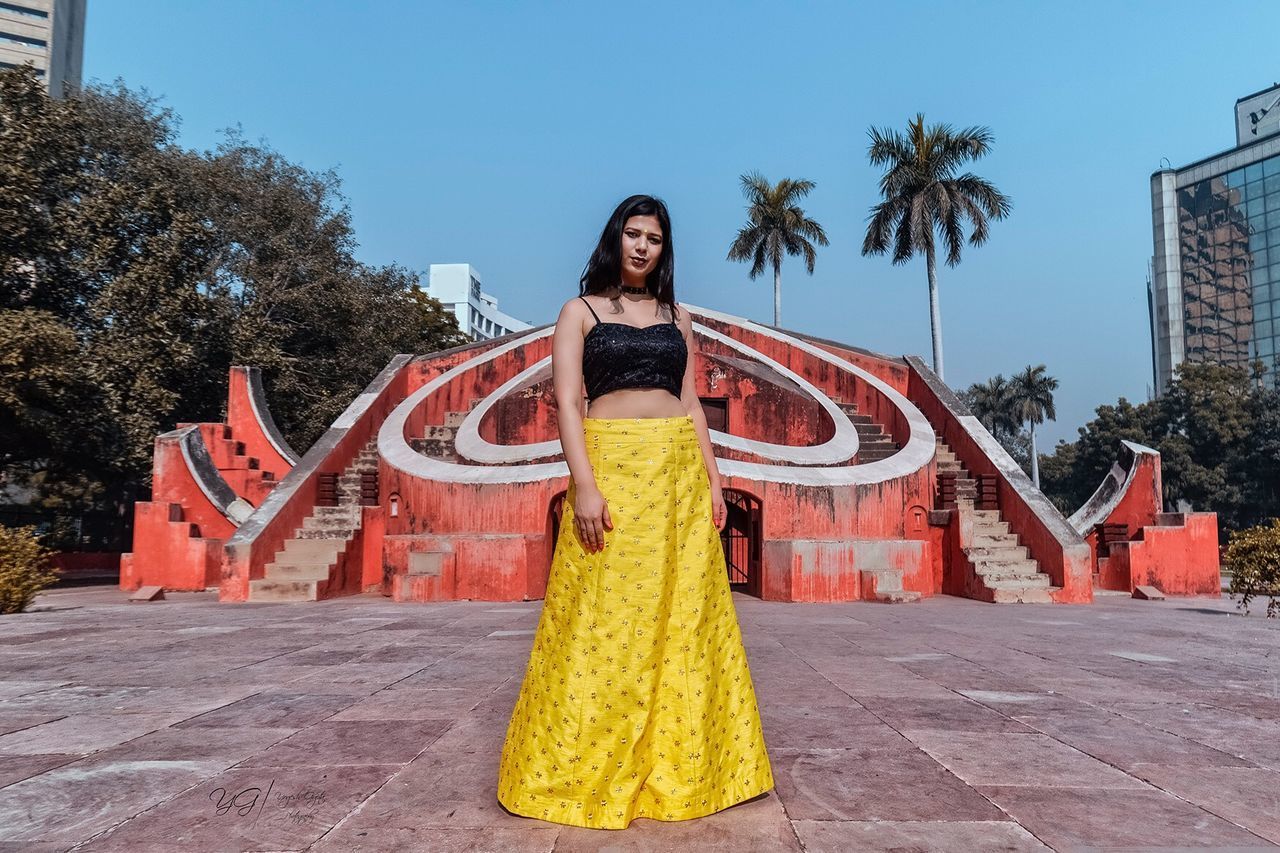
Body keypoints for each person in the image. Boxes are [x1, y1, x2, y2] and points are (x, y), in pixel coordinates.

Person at [496, 194, 773, 830]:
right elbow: (568, 403)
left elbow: (692, 402)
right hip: (613, 469)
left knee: (682, 618)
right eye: (632, 234)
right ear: (615, 239)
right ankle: (580, 767)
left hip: (676, 470)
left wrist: (714, 479)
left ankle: (681, 769)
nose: (642, 246)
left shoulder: (677, 318)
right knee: (600, 618)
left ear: (663, 248)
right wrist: (584, 485)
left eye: (653, 237)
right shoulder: (581, 312)